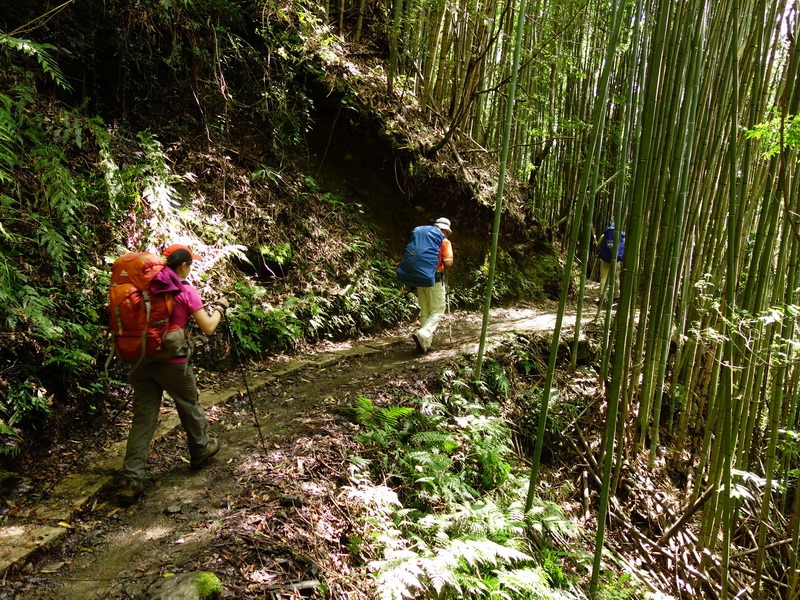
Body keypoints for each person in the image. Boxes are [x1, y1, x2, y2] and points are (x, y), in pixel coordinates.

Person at [117, 243, 229, 506]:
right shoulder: (184, 290)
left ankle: (131, 481)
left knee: (143, 419)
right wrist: (221, 308)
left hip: (141, 360)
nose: (191, 268)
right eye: (190, 264)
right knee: (188, 405)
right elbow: (209, 327)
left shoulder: (142, 290)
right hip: (173, 362)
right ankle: (200, 449)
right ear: (183, 265)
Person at [412, 217, 454, 354]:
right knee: (438, 310)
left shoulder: (422, 239)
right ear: (445, 230)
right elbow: (448, 263)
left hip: (419, 278)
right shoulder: (444, 241)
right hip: (434, 280)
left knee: (425, 311)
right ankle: (424, 333)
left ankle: (425, 344)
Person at [595, 221, 624, 303]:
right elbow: (623, 248)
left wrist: (601, 251)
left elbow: (597, 246)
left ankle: (602, 297)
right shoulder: (621, 235)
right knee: (616, 277)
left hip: (605, 259)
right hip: (616, 260)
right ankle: (616, 295)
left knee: (603, 277)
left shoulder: (605, 235)